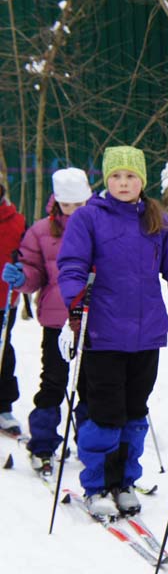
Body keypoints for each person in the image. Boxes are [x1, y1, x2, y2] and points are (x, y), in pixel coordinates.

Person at [58, 146, 168, 517]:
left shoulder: (157, 221)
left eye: (130, 176)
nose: (123, 183)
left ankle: (124, 481)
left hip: (146, 334)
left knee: (135, 412)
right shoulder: (88, 217)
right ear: (107, 180)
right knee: (106, 414)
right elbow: (72, 264)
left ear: (142, 181)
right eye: (116, 176)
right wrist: (75, 296)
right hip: (103, 333)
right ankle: (97, 485)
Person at [3, 169, 92, 475]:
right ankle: (42, 445)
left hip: (95, 319)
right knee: (53, 381)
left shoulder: (101, 226)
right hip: (57, 319)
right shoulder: (41, 231)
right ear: (57, 202)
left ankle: (91, 444)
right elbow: (34, 272)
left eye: (79, 204)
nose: (73, 211)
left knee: (91, 385)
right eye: (67, 205)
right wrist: (22, 277)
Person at [0, 181, 26, 436]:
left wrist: (23, 269)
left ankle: (3, 407)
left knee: (2, 350)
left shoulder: (17, 221)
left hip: (3, 300)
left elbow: (30, 257)